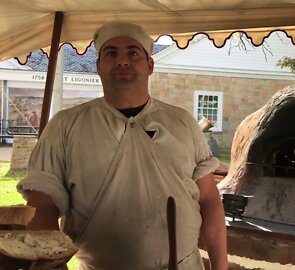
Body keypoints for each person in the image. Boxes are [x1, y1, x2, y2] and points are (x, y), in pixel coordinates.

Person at [17, 22, 228, 270]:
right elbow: (42, 204)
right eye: (111, 53)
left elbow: (209, 200)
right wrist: (50, 265)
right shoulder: (65, 127)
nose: (122, 61)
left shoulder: (182, 123)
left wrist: (220, 268)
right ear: (98, 66)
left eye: (133, 52)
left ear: (150, 65)